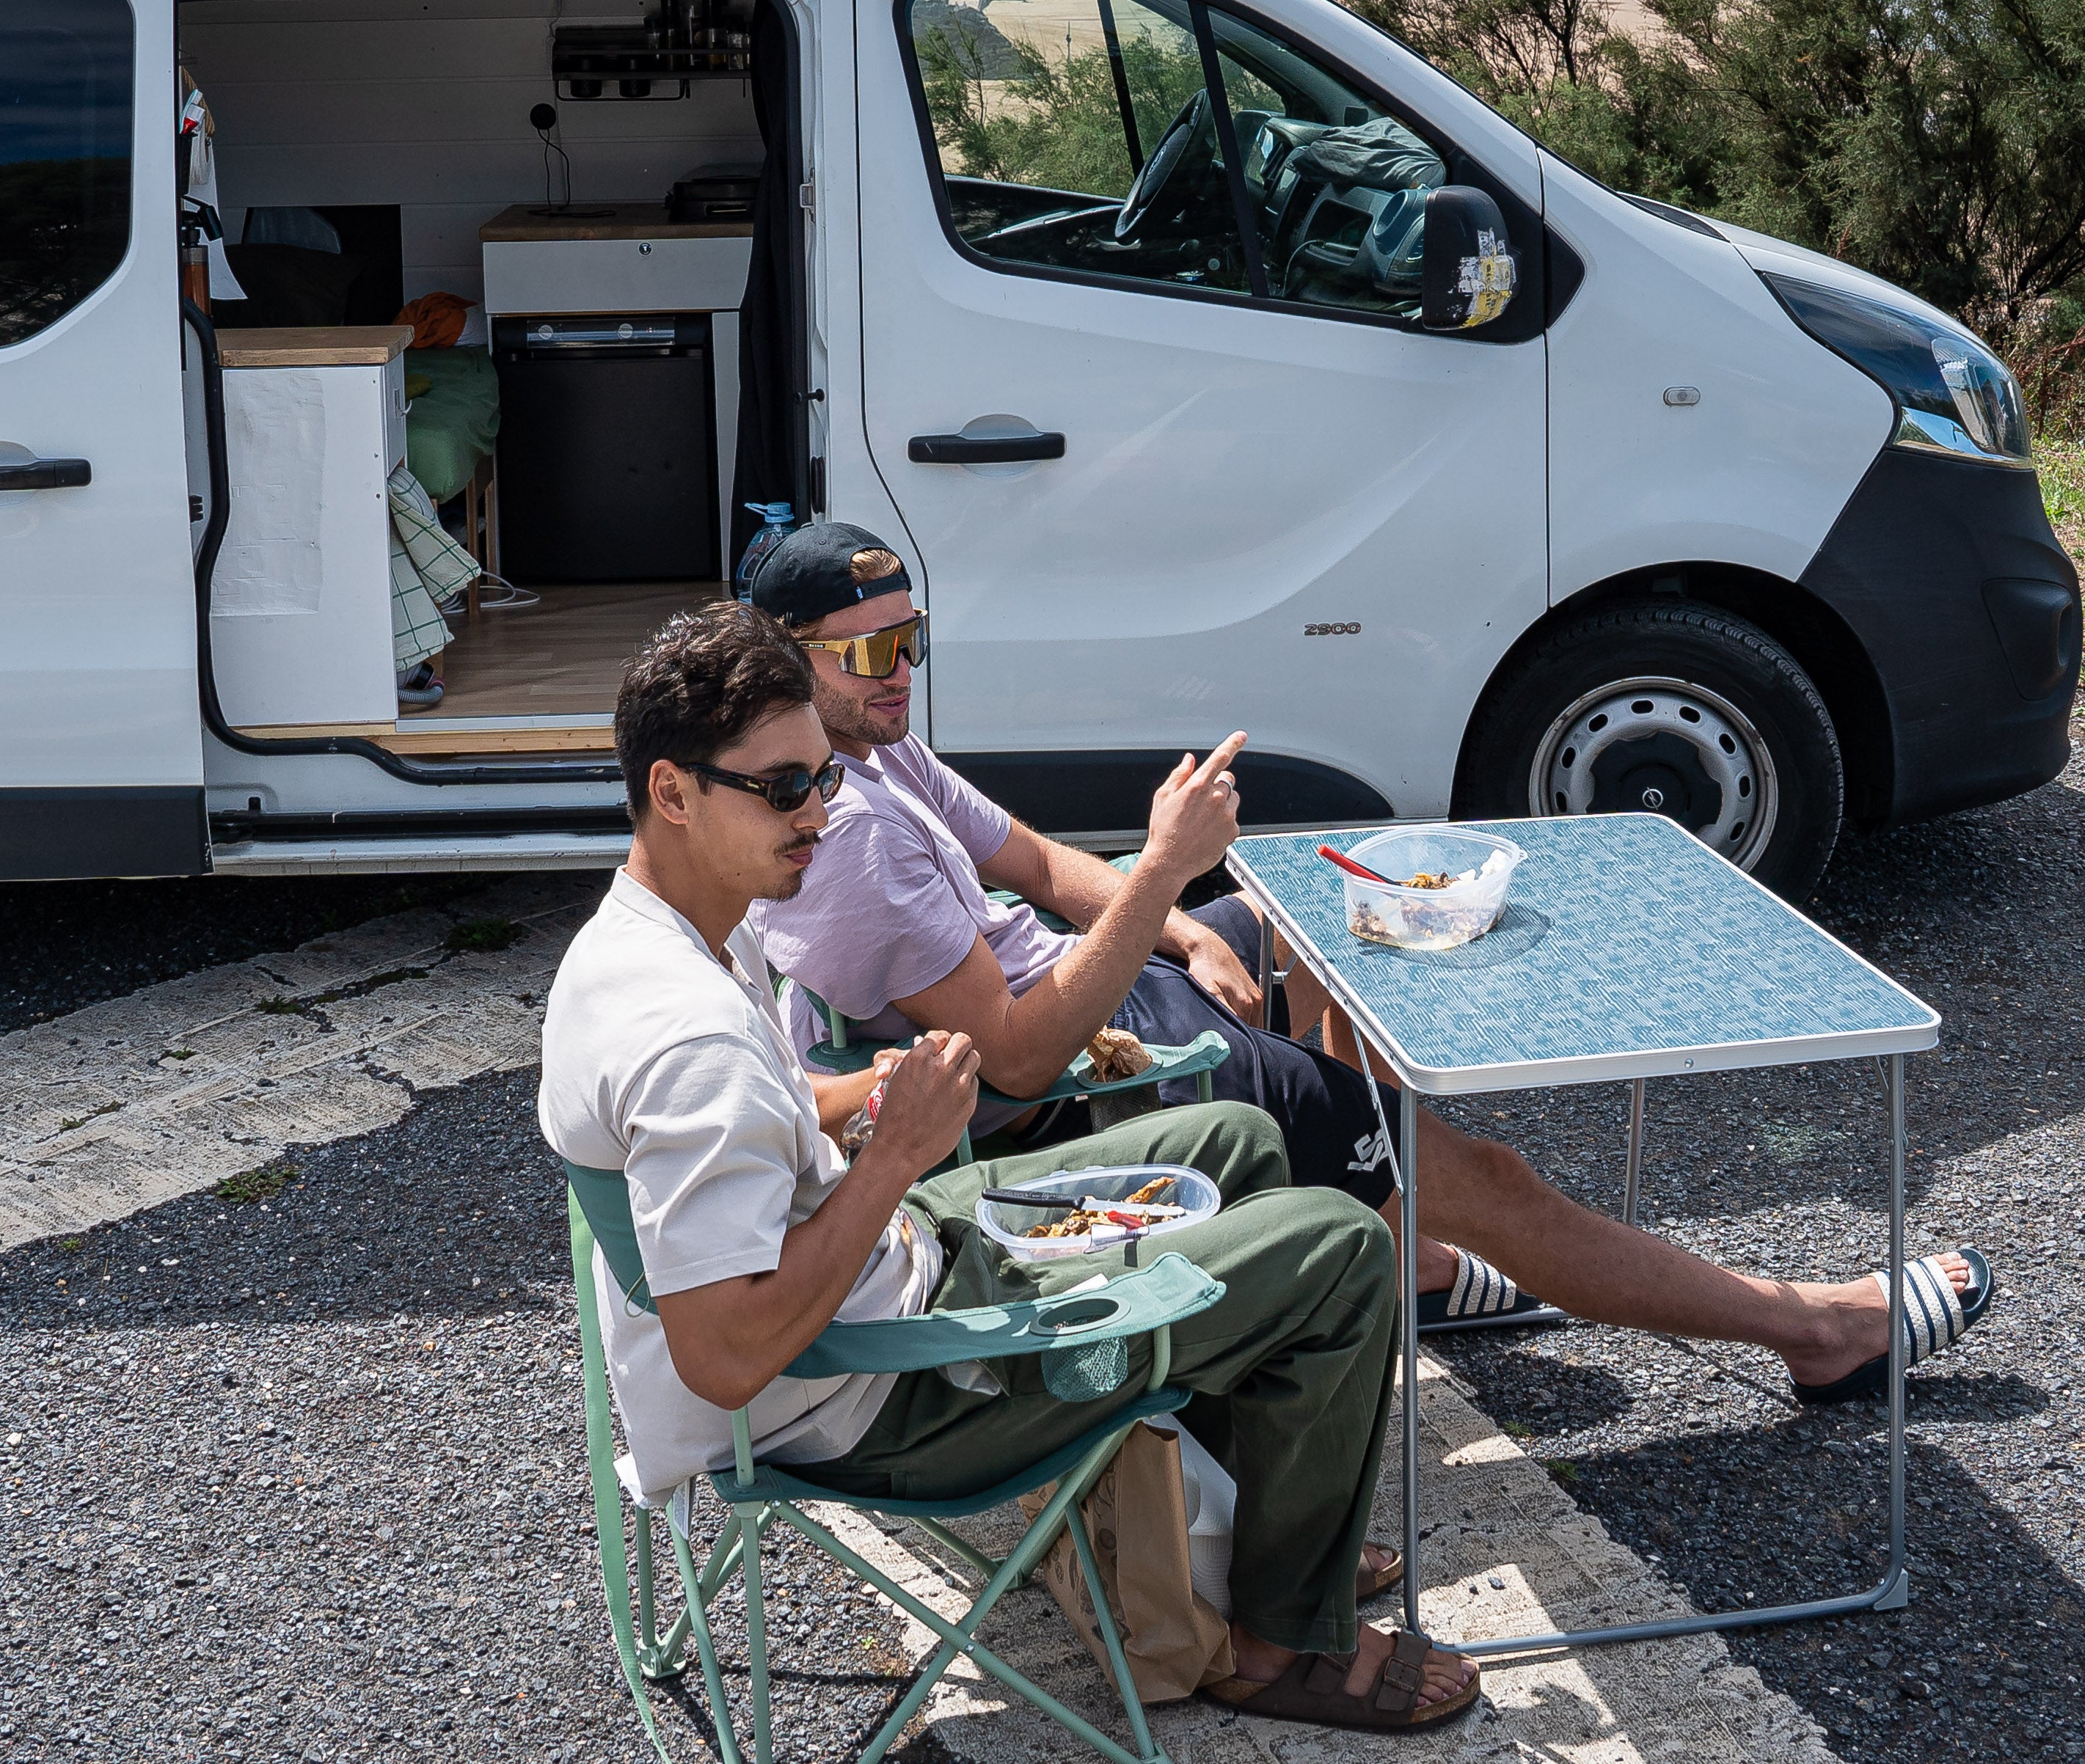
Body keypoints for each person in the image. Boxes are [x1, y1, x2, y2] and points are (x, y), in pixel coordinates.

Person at [733, 520, 2001, 1405]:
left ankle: (1399, 1240)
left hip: (1096, 996)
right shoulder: (850, 842)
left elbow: (1036, 860)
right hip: (1082, 1081)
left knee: (1307, 927)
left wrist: (1182, 923)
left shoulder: (863, 748)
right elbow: (1016, 1058)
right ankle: (1813, 1328)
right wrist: (1165, 877)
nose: (902, 674)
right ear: (788, 662)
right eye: (871, 653)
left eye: (914, 639)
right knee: (1488, 1175)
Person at [536, 601, 1484, 1733]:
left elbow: (767, 1124)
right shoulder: (689, 1043)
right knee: (1340, 1249)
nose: (819, 814)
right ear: (673, 792)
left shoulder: (653, 933)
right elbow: (727, 1354)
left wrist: (870, 1093)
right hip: (879, 1396)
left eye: (823, 779)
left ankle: (1251, 1535)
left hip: (879, 1281)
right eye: (784, 789)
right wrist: (896, 1154)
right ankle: (1279, 1644)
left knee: (1238, 1143)